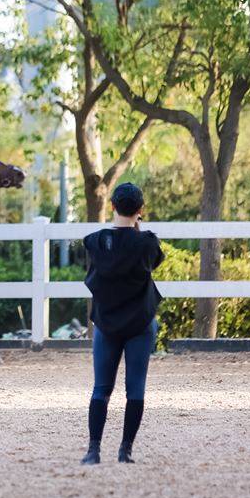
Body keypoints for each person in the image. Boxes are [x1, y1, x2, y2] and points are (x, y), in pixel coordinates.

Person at [81, 182, 164, 465]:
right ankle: (125, 450)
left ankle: (93, 450)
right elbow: (154, 261)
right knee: (135, 389)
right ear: (140, 210)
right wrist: (136, 226)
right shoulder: (148, 242)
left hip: (106, 323)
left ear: (113, 206)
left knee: (101, 389)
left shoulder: (94, 241)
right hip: (140, 324)